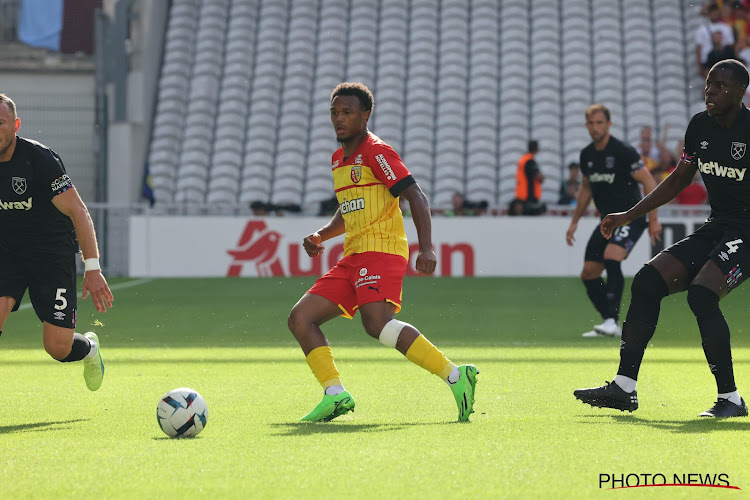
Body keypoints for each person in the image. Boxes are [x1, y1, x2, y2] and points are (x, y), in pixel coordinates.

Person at [287, 82, 478, 422]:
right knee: (300, 318)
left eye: (347, 112)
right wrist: (322, 235)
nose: (339, 119)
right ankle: (335, 395)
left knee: (376, 323)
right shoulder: (338, 159)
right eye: (334, 113)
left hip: (382, 250)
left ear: (365, 115)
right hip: (353, 255)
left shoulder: (377, 152)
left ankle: (455, 375)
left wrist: (427, 247)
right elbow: (349, 208)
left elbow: (415, 195)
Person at [574, 59, 750, 418]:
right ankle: (624, 388)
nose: (710, 91)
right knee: (647, 280)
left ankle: (730, 398)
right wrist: (629, 214)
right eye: (708, 84)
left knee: (702, 294)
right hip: (718, 226)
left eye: (720, 86)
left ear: (740, 92)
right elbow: (679, 178)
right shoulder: (700, 126)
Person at [0, 93, 113, 391]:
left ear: (15, 125)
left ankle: (89, 348)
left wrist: (93, 268)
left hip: (51, 256)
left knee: (58, 347)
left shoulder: (39, 159)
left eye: (1, 122)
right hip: (7, 253)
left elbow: (78, 210)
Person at [566, 104, 662, 338]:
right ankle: (610, 321)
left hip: (631, 217)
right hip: (607, 221)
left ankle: (611, 321)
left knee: (611, 256)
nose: (595, 127)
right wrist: (575, 221)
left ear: (609, 124)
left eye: (600, 123)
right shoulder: (587, 155)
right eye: (591, 123)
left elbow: (649, 182)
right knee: (588, 273)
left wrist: (653, 219)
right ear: (586, 125)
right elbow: (586, 190)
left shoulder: (623, 152)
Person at [696, 3, 735, 78]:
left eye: (716, 13)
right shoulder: (702, 29)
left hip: (723, 58)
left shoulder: (726, 27)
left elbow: (730, 45)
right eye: (713, 13)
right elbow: (698, 47)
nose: (714, 15)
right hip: (708, 61)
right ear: (709, 14)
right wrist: (699, 66)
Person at [510, 140, 546, 215]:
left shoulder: (523, 160)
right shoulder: (530, 161)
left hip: (521, 195)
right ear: (537, 149)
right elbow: (540, 178)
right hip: (529, 197)